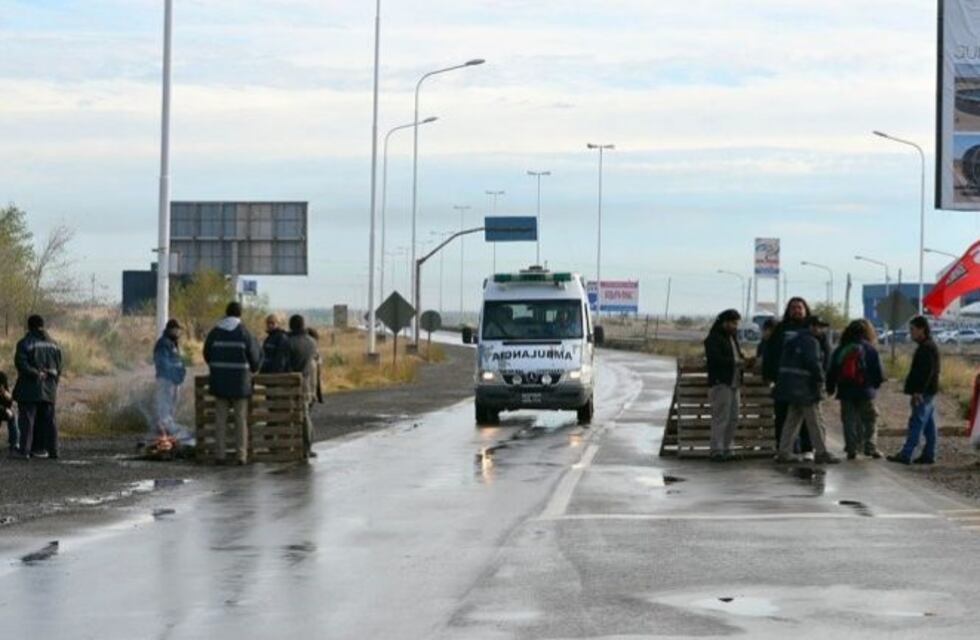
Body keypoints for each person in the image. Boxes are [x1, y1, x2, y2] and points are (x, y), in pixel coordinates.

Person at [764, 298, 831, 456]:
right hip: (795, 384)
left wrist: (825, 374)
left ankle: (799, 450)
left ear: (805, 310)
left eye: (799, 308)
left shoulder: (817, 336)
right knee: (797, 418)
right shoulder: (783, 330)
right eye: (793, 308)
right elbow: (771, 353)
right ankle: (817, 452)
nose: (797, 311)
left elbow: (826, 355)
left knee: (797, 420)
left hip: (800, 383)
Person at [774, 315, 840, 464]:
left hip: (789, 387)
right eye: (819, 326)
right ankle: (822, 452)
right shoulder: (811, 342)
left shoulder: (793, 340)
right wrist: (821, 380)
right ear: (811, 326)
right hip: (805, 388)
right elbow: (813, 363)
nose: (821, 330)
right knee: (815, 421)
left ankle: (784, 452)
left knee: (792, 420)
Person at [203, 302, 261, 465]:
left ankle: (220, 455)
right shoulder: (245, 333)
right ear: (239, 314)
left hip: (219, 382)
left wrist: (217, 367)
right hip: (240, 384)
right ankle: (241, 456)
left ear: (226, 313)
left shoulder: (215, 332)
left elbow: (206, 354)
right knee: (240, 420)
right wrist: (253, 369)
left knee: (220, 420)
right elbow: (255, 358)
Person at [826, 320, 884, 460]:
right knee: (870, 419)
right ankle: (870, 447)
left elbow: (832, 370)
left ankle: (851, 449)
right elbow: (878, 372)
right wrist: (874, 386)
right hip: (865, 390)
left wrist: (831, 387)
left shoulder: (841, 349)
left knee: (849, 420)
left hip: (845, 390)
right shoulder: (870, 349)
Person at [888, 316, 941, 465]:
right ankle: (929, 454)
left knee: (916, 423)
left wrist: (918, 391)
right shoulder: (928, 346)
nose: (910, 333)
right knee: (929, 425)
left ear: (921, 329)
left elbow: (926, 372)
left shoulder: (926, 348)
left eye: (912, 329)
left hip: (923, 393)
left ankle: (906, 454)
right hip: (928, 392)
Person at [704, 309, 754, 462]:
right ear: (724, 322)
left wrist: (744, 360)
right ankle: (716, 449)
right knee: (721, 417)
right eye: (733, 323)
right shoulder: (713, 339)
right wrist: (738, 362)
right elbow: (716, 360)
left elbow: (735, 356)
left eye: (736, 323)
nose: (735, 326)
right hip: (721, 383)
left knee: (733, 418)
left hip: (734, 383)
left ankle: (727, 448)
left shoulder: (732, 338)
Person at [12, 315, 63, 460]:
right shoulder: (55, 344)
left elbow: (21, 364)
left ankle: (25, 452)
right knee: (49, 422)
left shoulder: (24, 343)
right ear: (43, 325)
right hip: (49, 389)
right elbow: (59, 369)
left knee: (27, 420)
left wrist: (36, 373)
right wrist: (53, 386)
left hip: (30, 389)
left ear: (29, 326)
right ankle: (53, 451)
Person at [285, 314, 319, 458]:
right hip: (307, 382)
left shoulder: (288, 342)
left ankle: (295, 445)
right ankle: (307, 446)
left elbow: (283, 362)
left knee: (294, 414)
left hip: (290, 382)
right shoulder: (312, 342)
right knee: (305, 415)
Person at [153, 319, 187, 441]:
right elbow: (162, 362)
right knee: (164, 407)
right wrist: (173, 373)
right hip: (166, 381)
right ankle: (163, 433)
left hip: (174, 381)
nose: (178, 332)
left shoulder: (173, 343)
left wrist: (180, 372)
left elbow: (178, 361)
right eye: (176, 330)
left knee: (171, 407)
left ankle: (168, 432)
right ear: (171, 329)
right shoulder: (163, 343)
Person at [0, 372, 18, 455]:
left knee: (12, 416)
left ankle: (14, 443)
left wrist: (7, 396)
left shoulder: (2, 376)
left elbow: (9, 399)